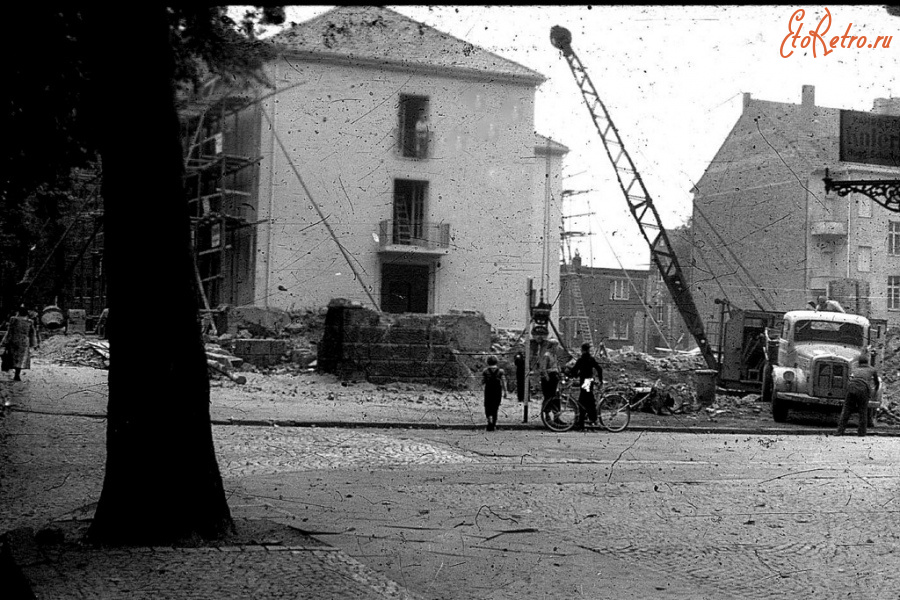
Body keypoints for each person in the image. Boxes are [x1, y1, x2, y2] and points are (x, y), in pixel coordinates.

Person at [837, 355, 879, 437]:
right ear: (868, 361)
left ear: (859, 362)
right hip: (863, 390)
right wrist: (874, 391)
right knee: (863, 412)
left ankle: (839, 432)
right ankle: (861, 433)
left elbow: (850, 378)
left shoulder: (855, 369)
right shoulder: (872, 370)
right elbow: (877, 382)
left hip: (851, 388)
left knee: (846, 411)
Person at [1, 305, 39, 382]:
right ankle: (17, 375)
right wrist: (34, 344)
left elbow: (9, 332)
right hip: (24, 342)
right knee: (21, 359)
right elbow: (32, 334)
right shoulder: (30, 322)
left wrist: (4, 342)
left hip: (14, 340)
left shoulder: (13, 319)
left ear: (18, 312)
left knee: (12, 356)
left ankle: (8, 370)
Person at [572, 342, 603, 428]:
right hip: (589, 381)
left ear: (582, 350)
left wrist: (572, 375)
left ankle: (583, 421)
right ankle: (591, 419)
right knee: (589, 400)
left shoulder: (581, 360)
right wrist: (601, 380)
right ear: (588, 350)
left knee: (583, 401)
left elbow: (574, 370)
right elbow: (599, 369)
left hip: (584, 382)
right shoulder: (591, 359)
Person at [481, 355, 507, 432]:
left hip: (488, 389)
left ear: (487, 362)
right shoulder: (500, 371)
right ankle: (494, 424)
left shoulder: (485, 371)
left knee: (487, 406)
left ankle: (489, 421)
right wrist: (505, 391)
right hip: (497, 390)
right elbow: (503, 382)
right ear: (496, 361)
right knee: (495, 407)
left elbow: (483, 381)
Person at [539, 340, 561, 418]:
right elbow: (543, 368)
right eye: (557, 346)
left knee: (555, 396)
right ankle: (547, 415)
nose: (558, 348)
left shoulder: (554, 355)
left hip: (555, 377)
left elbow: (556, 366)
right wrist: (547, 377)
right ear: (553, 346)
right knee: (549, 397)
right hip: (549, 377)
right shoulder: (547, 355)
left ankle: (556, 416)